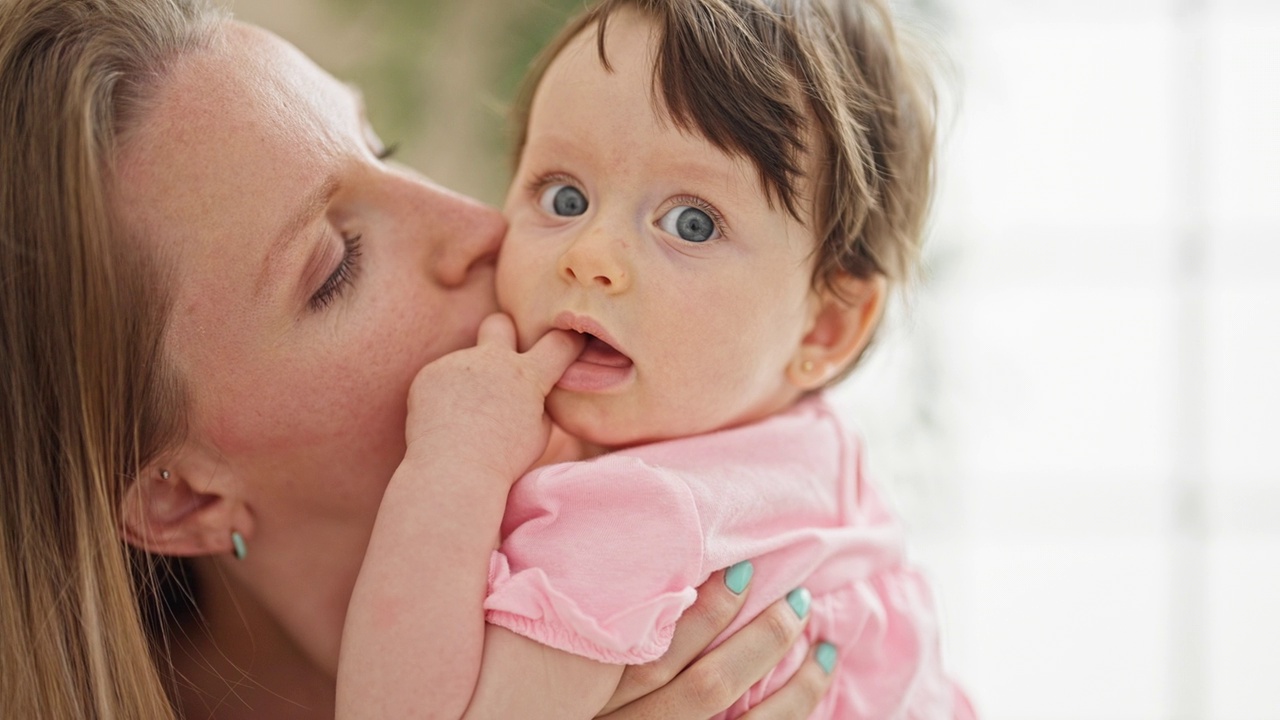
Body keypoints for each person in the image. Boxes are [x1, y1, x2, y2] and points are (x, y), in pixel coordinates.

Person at [0, 0, 841, 717]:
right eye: (338, 265)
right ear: (180, 500)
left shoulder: (731, 481)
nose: (482, 225)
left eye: (384, 150)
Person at [339, 0, 974, 717]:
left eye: (691, 223)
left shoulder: (636, 512)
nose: (591, 256)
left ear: (824, 328)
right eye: (565, 195)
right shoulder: (820, 462)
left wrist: (453, 466)